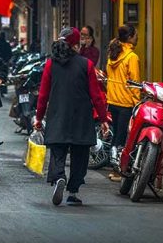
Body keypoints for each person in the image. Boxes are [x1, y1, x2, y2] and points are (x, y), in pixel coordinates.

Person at [34, 27, 109, 207]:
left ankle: (59, 176)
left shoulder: (51, 64)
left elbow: (43, 94)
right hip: (81, 116)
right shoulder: (86, 64)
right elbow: (96, 95)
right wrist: (104, 118)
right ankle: (73, 191)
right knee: (80, 153)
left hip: (58, 113)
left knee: (58, 150)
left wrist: (39, 117)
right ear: (76, 45)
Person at [105, 24, 141, 182]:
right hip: (125, 102)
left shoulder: (114, 52)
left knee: (116, 137)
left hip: (112, 100)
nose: (137, 37)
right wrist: (137, 102)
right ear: (130, 37)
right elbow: (134, 83)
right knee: (122, 138)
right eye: (136, 35)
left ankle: (114, 169)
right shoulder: (131, 57)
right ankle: (118, 171)